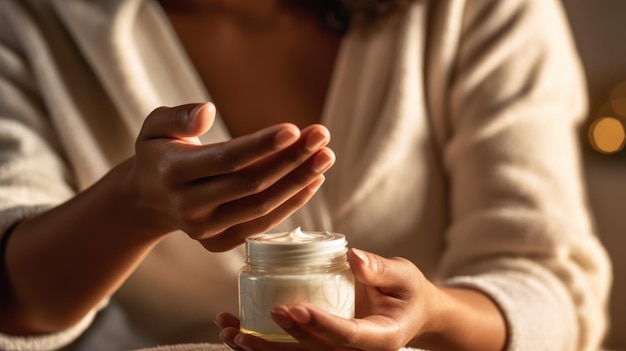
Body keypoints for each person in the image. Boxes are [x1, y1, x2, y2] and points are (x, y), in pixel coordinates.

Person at [0, 0, 612, 350]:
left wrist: (432, 313)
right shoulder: (33, 21)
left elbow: (548, 282)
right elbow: (14, 305)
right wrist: (134, 205)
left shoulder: (479, 10)